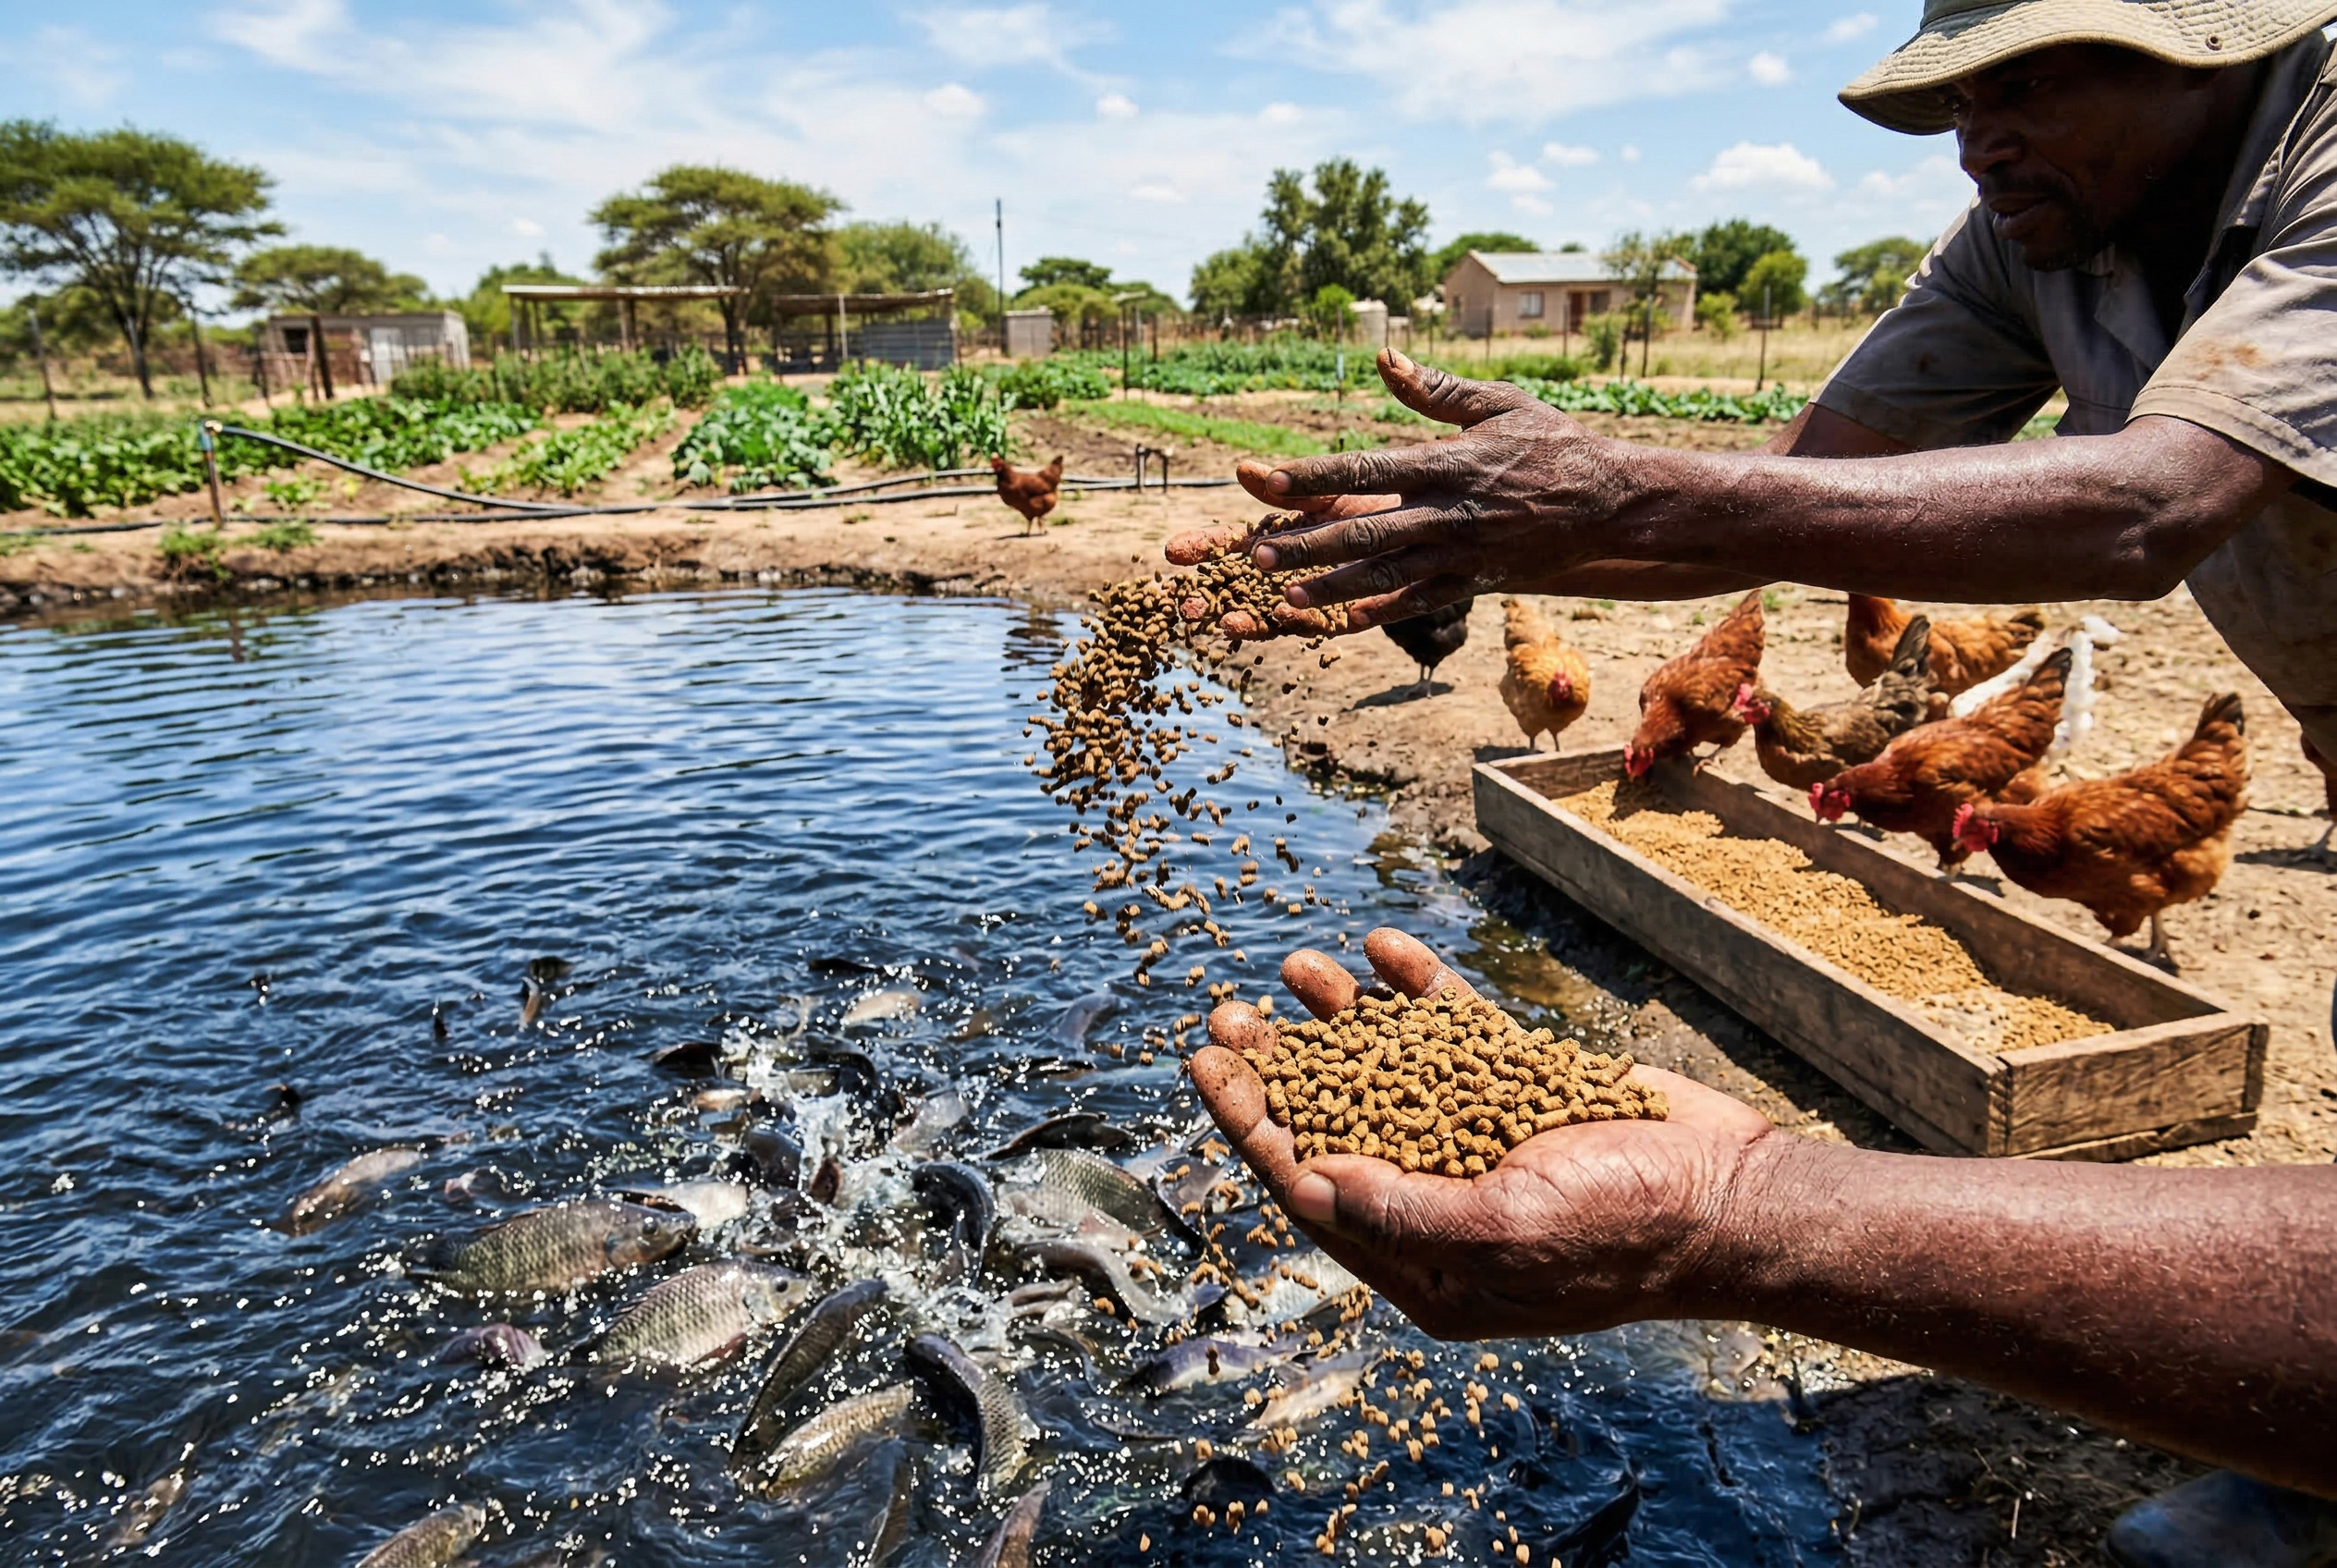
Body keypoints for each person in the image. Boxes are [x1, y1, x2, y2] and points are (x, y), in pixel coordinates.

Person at [1170, 2, 2337, 1562]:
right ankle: (2302, 1448)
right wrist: (1421, 546)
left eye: (2030, 78)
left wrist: (1745, 1216)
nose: (1978, 133)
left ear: (2209, 47)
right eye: (1960, 95)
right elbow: (1804, 502)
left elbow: (2154, 506)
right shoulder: (2036, 229)